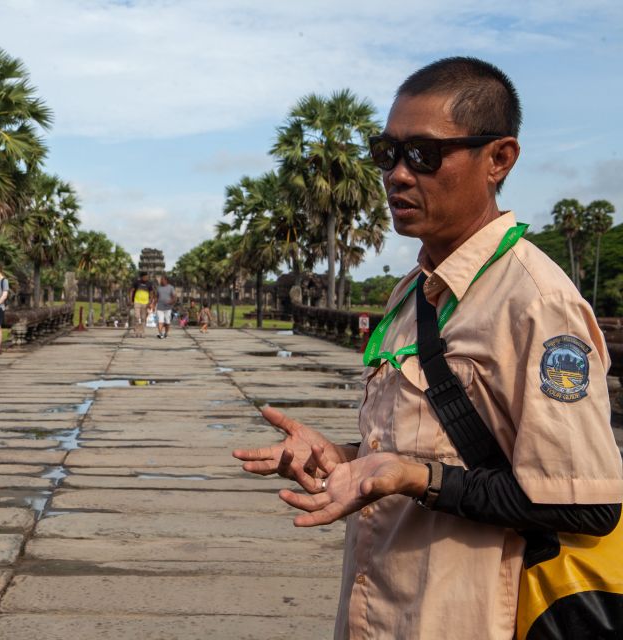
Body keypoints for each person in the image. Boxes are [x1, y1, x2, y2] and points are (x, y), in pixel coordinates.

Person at [233, 57, 622, 639]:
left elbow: (586, 503)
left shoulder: (535, 303)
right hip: (382, 611)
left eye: (423, 154)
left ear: (499, 159)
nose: (397, 174)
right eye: (386, 153)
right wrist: (347, 457)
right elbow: (429, 446)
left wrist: (415, 477)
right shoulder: (414, 291)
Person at [128, 271, 155, 338]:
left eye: (147, 277)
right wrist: (131, 300)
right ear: (142, 277)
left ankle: (142, 332)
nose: (147, 278)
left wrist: (150, 302)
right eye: (145, 277)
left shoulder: (149, 283)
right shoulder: (136, 283)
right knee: (136, 317)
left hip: (145, 303)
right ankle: (136, 332)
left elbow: (151, 293)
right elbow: (131, 291)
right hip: (137, 302)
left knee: (143, 318)